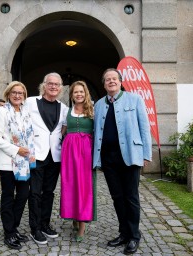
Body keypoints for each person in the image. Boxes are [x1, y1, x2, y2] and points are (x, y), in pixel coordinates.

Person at [93, 68, 152, 255]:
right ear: (104, 84)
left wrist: (146, 154)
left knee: (131, 197)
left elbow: (144, 127)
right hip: (108, 159)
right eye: (107, 79)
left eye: (114, 79)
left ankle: (134, 236)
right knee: (117, 197)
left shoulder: (134, 99)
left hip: (130, 156)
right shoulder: (99, 105)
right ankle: (123, 233)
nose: (111, 81)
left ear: (120, 81)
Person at [0, 81, 35, 250]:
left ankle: (13, 227)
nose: (17, 95)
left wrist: (29, 154)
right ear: (8, 94)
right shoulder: (1, 111)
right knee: (8, 197)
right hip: (8, 162)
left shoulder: (25, 112)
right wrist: (16, 150)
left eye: (20, 93)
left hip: (24, 163)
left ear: (24, 96)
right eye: (14, 92)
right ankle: (9, 233)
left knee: (24, 194)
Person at [25, 72, 68, 245]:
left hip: (54, 155)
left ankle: (44, 223)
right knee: (35, 192)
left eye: (57, 84)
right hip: (36, 154)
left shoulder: (63, 107)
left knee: (49, 192)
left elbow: (63, 128)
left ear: (60, 88)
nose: (53, 87)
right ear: (44, 85)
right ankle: (35, 228)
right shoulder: (30, 102)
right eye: (50, 83)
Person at [60, 81, 96, 242]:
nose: (79, 94)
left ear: (85, 93)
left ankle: (81, 226)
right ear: (72, 95)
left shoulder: (93, 110)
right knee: (70, 185)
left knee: (84, 186)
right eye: (76, 92)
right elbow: (61, 131)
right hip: (69, 152)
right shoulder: (67, 112)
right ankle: (74, 217)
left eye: (81, 91)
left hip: (86, 151)